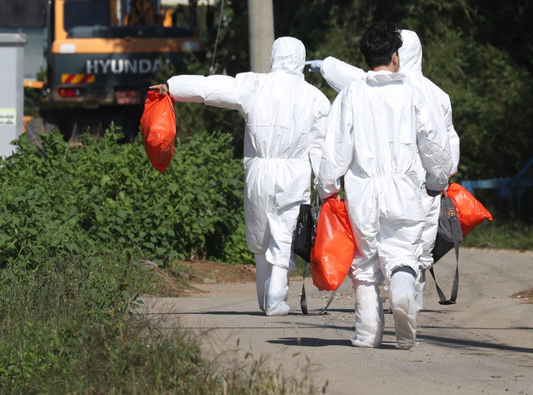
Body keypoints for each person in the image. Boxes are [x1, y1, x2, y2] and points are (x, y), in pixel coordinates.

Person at [151, 36, 330, 316]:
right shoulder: (316, 98)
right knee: (284, 233)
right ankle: (275, 298)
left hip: (259, 170)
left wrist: (172, 86)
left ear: (273, 57)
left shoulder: (254, 85)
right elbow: (320, 148)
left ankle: (264, 298)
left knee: (260, 235)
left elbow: (210, 88)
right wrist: (327, 186)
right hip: (293, 171)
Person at [316, 22, 452, 349]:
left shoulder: (351, 93)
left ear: (366, 57)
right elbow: (434, 144)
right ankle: (403, 299)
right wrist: (437, 180)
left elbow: (335, 147)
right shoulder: (414, 94)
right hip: (406, 189)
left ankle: (367, 334)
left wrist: (327, 189)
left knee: (364, 264)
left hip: (362, 190)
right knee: (403, 254)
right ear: (395, 56)